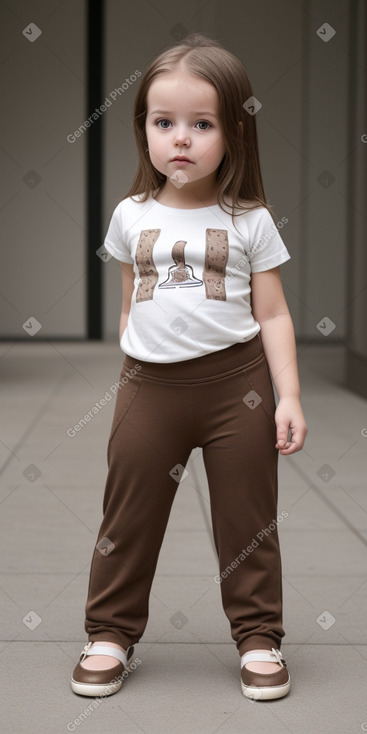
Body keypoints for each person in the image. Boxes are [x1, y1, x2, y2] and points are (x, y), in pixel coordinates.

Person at [71, 32, 308, 701]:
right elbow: (128, 302)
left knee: (247, 517)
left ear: (233, 131)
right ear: (142, 127)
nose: (180, 138)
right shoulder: (129, 216)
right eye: (162, 122)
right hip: (149, 388)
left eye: (200, 124)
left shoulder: (249, 220)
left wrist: (285, 395)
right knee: (129, 515)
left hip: (239, 389)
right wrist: (133, 364)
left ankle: (258, 635)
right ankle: (109, 632)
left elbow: (274, 315)